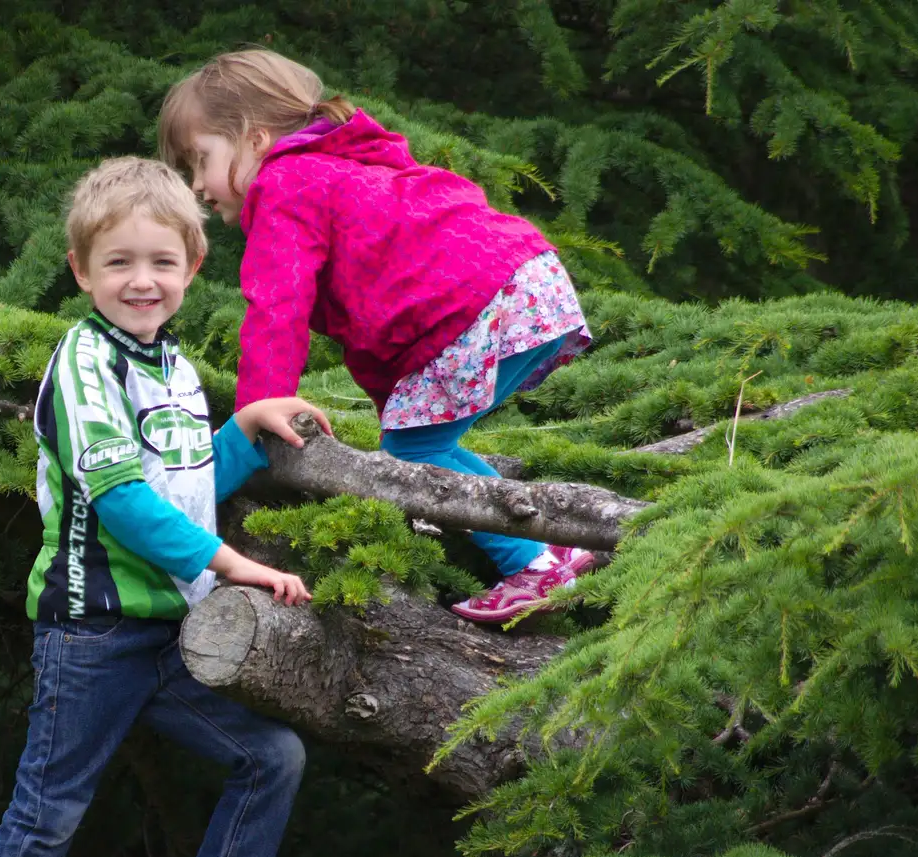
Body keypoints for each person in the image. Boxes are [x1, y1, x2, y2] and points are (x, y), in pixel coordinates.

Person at [0, 156, 328, 857]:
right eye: (119, 262)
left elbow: (190, 483)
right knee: (47, 815)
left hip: (170, 636)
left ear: (195, 268)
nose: (142, 281)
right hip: (90, 634)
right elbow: (125, 502)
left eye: (162, 262)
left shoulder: (171, 365)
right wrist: (234, 565)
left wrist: (244, 425)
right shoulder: (83, 363)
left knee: (272, 759)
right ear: (81, 271)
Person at [159, 49, 598, 625]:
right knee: (421, 435)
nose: (196, 185)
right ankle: (554, 543)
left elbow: (277, 305)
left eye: (202, 159)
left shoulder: (283, 185)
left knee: (415, 447)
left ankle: (534, 565)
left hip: (476, 298)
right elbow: (386, 307)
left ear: (255, 138)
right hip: (524, 278)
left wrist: (258, 409)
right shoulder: (339, 166)